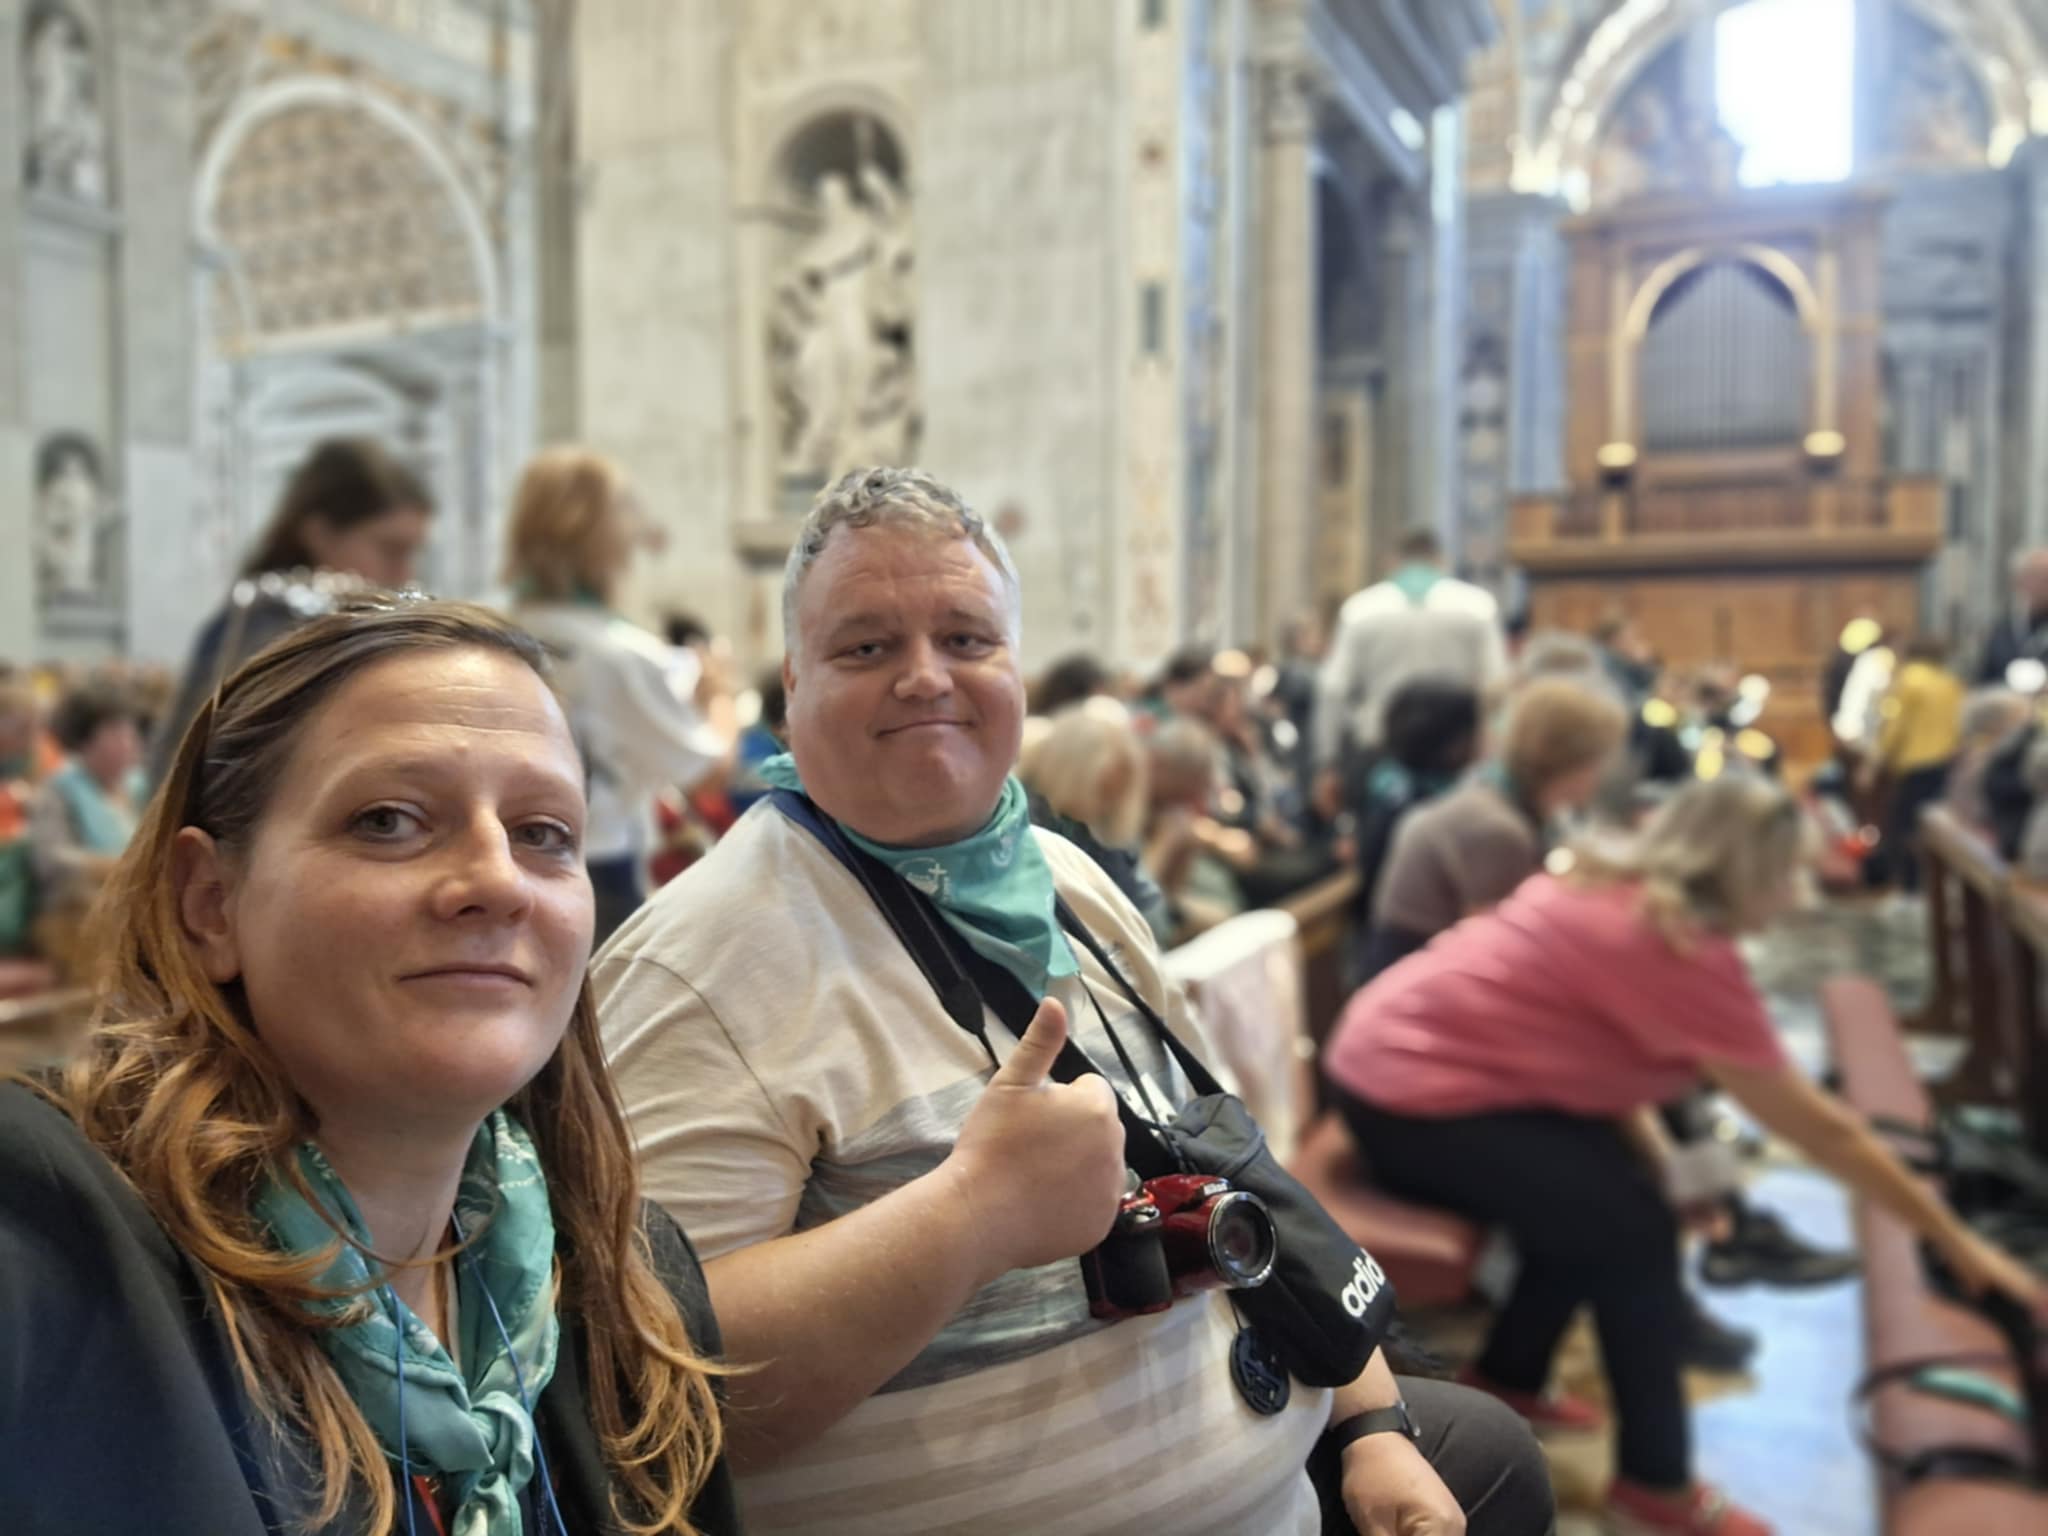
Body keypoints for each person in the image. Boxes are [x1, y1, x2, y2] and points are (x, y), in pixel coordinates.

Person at [595, 466, 1552, 1536]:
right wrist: (968, 1216)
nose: (925, 678)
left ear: (1017, 667)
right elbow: (652, 1393)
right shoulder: (696, 967)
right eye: (865, 648)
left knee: (1488, 1456)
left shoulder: (1065, 878)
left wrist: (1369, 1421)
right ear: (791, 683)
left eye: (966, 639)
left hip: (1270, 1469)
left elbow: (1228, 1163)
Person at [0, 600, 739, 1535]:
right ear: (210, 902)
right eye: (388, 820)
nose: (498, 880)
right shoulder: (39, 1235)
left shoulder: (634, 1288)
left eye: (544, 833)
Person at [1324, 773, 2047, 1536]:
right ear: (1743, 870)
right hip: (1401, 1094)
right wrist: (1957, 1242)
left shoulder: (1617, 891)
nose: (1795, 896)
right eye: (1786, 874)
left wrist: (1667, 1165)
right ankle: (1654, 1486)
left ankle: (1511, 1375)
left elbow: (1589, 1059)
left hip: (1401, 1064)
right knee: (1631, 1226)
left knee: (1608, 1203)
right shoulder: (1668, 944)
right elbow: (1826, 1130)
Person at [504, 448, 733, 946]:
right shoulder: (620, 655)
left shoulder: (488, 624)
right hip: (596, 868)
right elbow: (708, 773)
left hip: (504, 858)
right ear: (603, 537)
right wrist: (718, 693)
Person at [152, 437, 433, 788]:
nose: (405, 573)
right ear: (319, 535)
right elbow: (191, 777)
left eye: (412, 553)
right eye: (390, 549)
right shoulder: (264, 626)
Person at [1359, 676, 1626, 984]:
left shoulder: (1497, 794)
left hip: (1423, 973)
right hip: (1412, 984)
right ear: (1568, 762)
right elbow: (1497, 957)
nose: (1600, 776)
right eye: (1596, 762)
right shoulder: (1499, 831)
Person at [1314, 529, 1508, 820]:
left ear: (1393, 561)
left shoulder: (1361, 611)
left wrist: (1327, 763)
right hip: (1456, 756)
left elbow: (1332, 690)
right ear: (1441, 560)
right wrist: (1494, 755)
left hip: (1381, 751)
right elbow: (1496, 685)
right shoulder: (1476, 608)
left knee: (1382, 838)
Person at [1020, 699, 1172, 945]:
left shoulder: (1101, 825)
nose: (1108, 805)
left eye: (1118, 794)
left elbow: (1151, 916)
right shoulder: (1029, 824)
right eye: (1103, 791)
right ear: (1072, 775)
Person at [26, 679, 145, 977]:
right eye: (115, 733)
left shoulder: (138, 786)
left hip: (134, 908)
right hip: (80, 916)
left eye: (130, 732)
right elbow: (52, 860)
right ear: (84, 741)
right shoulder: (60, 788)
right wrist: (115, 867)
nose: (129, 742)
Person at [1865, 634, 1965, 891]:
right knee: (1933, 830)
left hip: (1915, 764)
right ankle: (1931, 887)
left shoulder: (1907, 681)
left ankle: (1909, 887)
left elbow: (1895, 728)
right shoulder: (1950, 682)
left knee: (1905, 828)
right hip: (1945, 764)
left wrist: (1875, 762)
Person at [1945, 687, 2029, 830]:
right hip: (1977, 827)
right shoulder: (1988, 755)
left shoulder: (1975, 748)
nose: (2026, 727)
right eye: (2021, 720)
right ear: (1997, 723)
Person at [1977, 547, 2048, 685]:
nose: (2044, 584)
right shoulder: (2002, 631)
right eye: (2036, 576)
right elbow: (1984, 680)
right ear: (2019, 582)